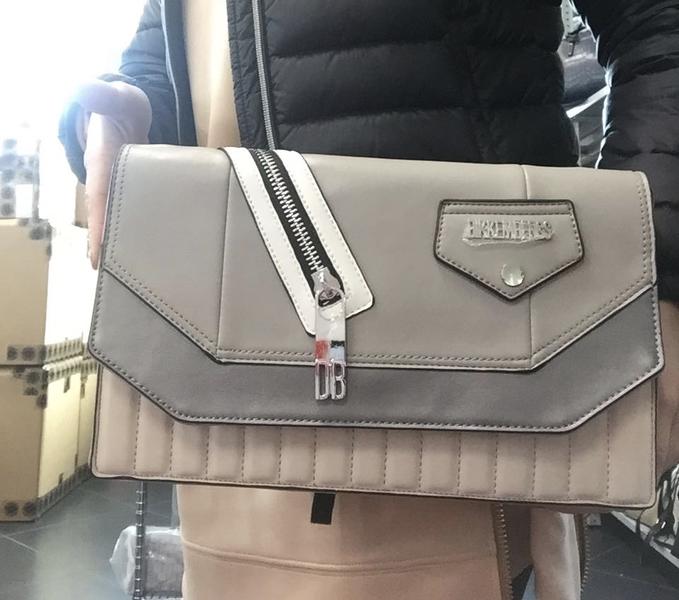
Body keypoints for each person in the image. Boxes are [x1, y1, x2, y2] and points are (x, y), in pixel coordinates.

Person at [60, 1, 679, 598]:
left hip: (471, 353)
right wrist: (113, 116)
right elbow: (175, 53)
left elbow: (656, 24)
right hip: (234, 359)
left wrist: (655, 277)